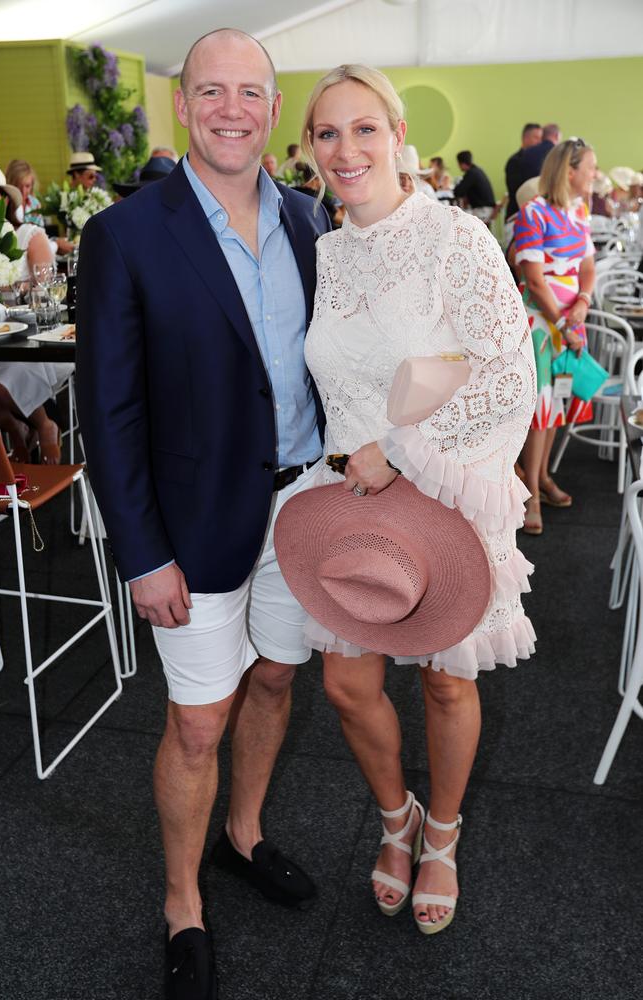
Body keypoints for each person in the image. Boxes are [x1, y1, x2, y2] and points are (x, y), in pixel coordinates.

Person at [75, 27, 330, 1000]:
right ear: (184, 105)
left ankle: (243, 833)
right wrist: (141, 552)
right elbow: (111, 407)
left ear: (273, 107)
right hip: (188, 525)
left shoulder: (309, 219)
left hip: (299, 504)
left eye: (250, 93)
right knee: (196, 723)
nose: (232, 110)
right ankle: (182, 901)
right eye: (212, 91)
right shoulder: (125, 234)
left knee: (273, 682)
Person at [298, 64, 536, 934]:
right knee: (348, 682)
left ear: (399, 136)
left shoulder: (454, 237)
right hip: (353, 497)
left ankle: (441, 834)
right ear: (312, 149)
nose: (347, 148)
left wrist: (396, 452)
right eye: (328, 133)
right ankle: (394, 818)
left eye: (365, 128)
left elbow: (513, 374)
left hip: (442, 489)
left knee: (444, 681)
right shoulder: (327, 249)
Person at [513, 138, 597, 535]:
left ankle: (541, 477)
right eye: (591, 168)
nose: (595, 175)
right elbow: (534, 280)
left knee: (555, 409)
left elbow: (588, 266)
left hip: (568, 322)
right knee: (539, 412)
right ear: (570, 171)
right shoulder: (535, 213)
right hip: (543, 327)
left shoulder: (580, 211)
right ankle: (530, 491)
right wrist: (565, 323)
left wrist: (581, 302)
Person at [0, 167, 68, 463]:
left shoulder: (27, 234)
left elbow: (47, 291)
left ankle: (43, 424)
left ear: (4, 200)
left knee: (2, 380)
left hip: (32, 335)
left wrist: (15, 289)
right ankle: (15, 427)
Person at [503, 122, 543, 245]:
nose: (540, 142)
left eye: (541, 138)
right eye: (536, 137)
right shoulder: (515, 162)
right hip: (518, 217)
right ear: (525, 138)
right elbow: (517, 190)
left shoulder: (540, 163)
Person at [453, 150, 496, 223]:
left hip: (482, 211)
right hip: (487, 209)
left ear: (462, 163)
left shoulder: (471, 173)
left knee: (462, 222)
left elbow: (458, 191)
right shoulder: (477, 171)